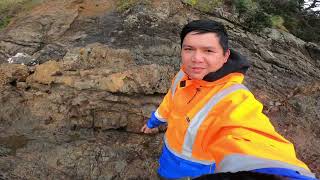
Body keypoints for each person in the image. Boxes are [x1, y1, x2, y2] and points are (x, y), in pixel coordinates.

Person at [140, 20, 316, 180]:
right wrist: (153, 122)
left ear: (225, 56)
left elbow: (251, 137)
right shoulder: (182, 75)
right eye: (189, 49)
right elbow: (170, 101)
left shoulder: (234, 97)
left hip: (195, 172)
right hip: (167, 160)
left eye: (208, 51)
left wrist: (282, 174)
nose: (196, 58)